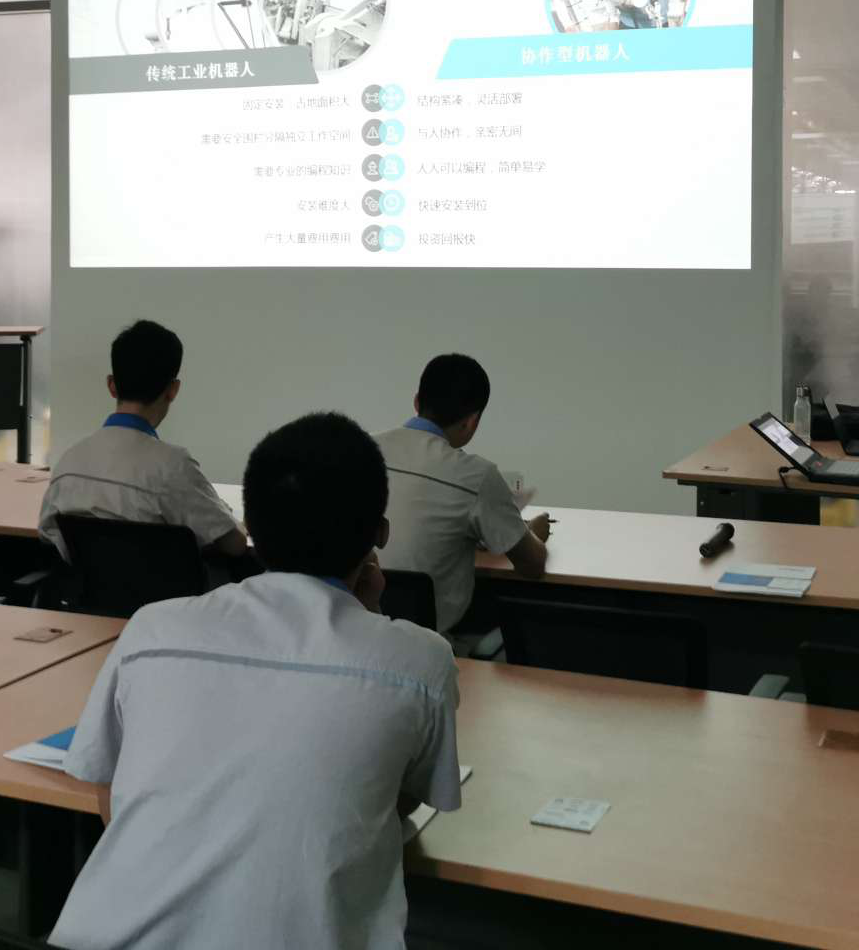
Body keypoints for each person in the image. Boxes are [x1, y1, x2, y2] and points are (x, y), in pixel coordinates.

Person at [50, 411, 461, 950]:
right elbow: (400, 794)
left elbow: (109, 786)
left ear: (250, 523)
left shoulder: (152, 629)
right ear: (379, 535)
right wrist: (372, 619)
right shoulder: (420, 663)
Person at [38, 319, 246, 563]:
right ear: (173, 390)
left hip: (88, 588)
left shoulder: (69, 463)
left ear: (112, 386)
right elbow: (235, 545)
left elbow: (47, 534)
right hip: (168, 589)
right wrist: (231, 517)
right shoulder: (173, 467)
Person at [374, 354, 550, 637]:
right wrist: (534, 531)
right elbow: (532, 566)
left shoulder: (363, 449)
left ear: (417, 401)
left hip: (360, 631)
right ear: (472, 422)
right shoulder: (476, 476)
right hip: (432, 645)